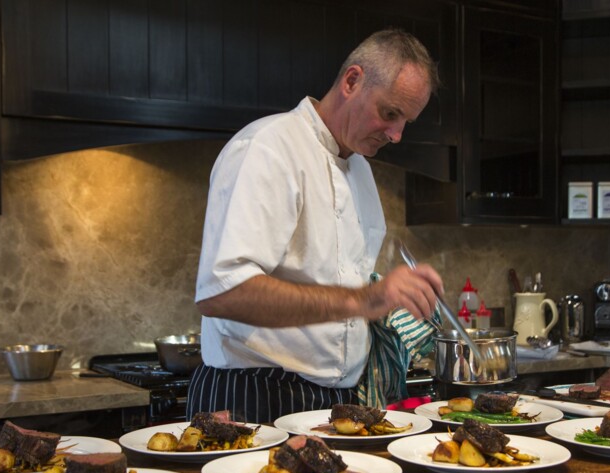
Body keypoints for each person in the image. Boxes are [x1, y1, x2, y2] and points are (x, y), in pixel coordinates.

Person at [187, 28, 444, 423]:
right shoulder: (268, 147)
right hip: (253, 396)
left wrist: (391, 305)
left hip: (335, 404)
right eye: (390, 113)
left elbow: (341, 284)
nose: (396, 135)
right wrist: (366, 299)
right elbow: (222, 291)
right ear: (352, 81)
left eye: (406, 121)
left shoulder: (360, 171)